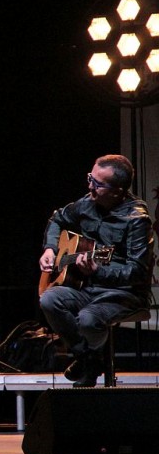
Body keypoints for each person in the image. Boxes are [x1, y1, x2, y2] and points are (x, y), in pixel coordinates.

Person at [39, 154, 154, 388]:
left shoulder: (136, 219)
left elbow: (137, 272)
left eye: (98, 184)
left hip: (123, 294)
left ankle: (89, 362)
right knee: (49, 299)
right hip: (87, 287)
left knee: (88, 319)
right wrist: (50, 249)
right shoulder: (87, 203)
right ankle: (89, 358)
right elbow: (57, 219)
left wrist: (97, 272)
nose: (90, 186)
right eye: (90, 178)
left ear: (117, 191)